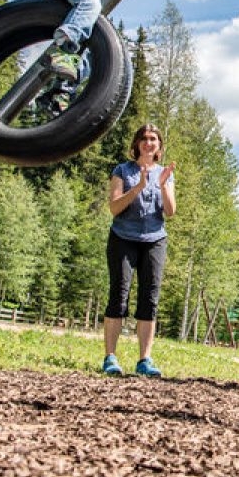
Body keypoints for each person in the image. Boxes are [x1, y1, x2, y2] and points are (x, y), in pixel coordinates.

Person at [103, 123, 177, 376]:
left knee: (149, 299)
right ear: (136, 144)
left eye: (154, 139)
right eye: (144, 138)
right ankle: (110, 357)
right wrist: (137, 187)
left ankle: (144, 359)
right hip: (123, 238)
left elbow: (170, 211)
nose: (149, 142)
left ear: (159, 146)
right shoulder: (123, 170)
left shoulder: (165, 174)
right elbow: (114, 208)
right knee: (119, 294)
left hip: (154, 240)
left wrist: (164, 184)